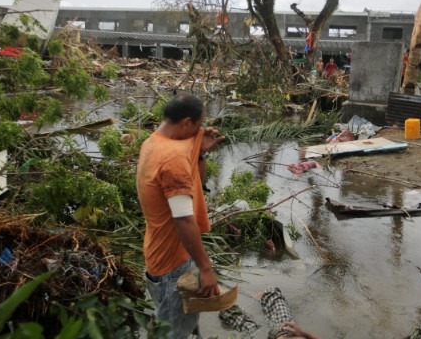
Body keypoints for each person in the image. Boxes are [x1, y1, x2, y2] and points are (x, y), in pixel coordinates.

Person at [136, 93, 225, 339]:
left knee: (166, 322)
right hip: (173, 266)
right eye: (198, 126)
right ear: (186, 123)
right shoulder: (172, 160)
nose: (199, 132)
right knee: (172, 333)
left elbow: (195, 182)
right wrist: (205, 268)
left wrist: (200, 153)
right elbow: (183, 219)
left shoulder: (153, 143)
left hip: (156, 257)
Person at [219, 287, 320, 339]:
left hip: (263, 337)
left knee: (228, 310)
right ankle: (262, 300)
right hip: (285, 332)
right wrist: (302, 332)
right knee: (272, 292)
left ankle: (219, 297)